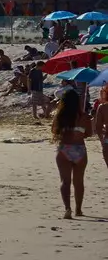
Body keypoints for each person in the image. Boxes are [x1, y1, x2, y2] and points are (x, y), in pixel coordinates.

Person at [52, 87, 90, 219]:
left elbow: (54, 131)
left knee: (65, 181)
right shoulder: (84, 116)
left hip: (64, 149)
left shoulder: (60, 115)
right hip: (79, 149)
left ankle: (67, 209)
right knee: (78, 182)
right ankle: (78, 209)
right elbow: (89, 133)